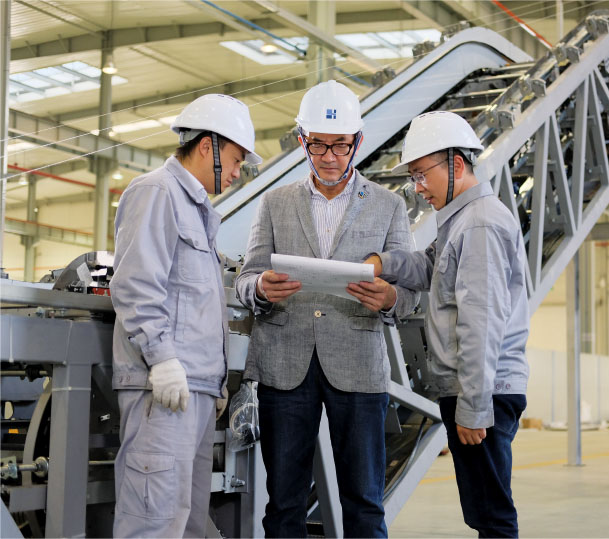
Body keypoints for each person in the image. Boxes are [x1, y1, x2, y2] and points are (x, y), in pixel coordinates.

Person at [234, 80, 418, 538]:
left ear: (358, 141)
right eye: (318, 144)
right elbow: (245, 279)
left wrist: (390, 299)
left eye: (340, 145)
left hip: (358, 365)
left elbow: (411, 291)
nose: (329, 157)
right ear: (302, 140)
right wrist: (261, 288)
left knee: (365, 503)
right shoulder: (274, 203)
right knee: (284, 503)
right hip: (284, 365)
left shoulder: (389, 206)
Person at [363, 111, 530, 538]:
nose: (419, 188)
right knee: (484, 511)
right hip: (475, 389)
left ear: (455, 164)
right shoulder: (462, 220)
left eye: (422, 175)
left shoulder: (480, 223)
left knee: (493, 516)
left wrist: (474, 407)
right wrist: (382, 263)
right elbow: (427, 267)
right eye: (414, 178)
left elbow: (480, 323)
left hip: (483, 391)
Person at [110, 94, 261, 537]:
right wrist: (162, 359)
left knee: (189, 522)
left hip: (193, 390)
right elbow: (136, 285)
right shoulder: (156, 192)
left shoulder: (198, 210)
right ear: (207, 146)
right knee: (153, 523)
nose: (237, 172)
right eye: (235, 159)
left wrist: (215, 383)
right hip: (163, 390)